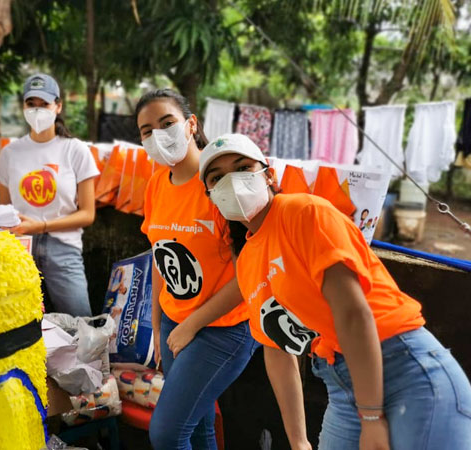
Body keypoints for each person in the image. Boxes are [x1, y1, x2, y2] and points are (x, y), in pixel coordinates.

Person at [199, 133, 471, 450]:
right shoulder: (247, 260)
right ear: (211, 195)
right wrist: (298, 440)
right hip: (340, 384)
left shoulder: (304, 213)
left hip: (402, 366)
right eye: (217, 178)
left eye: (242, 167)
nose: (231, 182)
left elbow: (353, 313)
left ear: (269, 175)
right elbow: (276, 350)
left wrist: (371, 418)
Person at [135, 89, 262, 449]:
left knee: (167, 433)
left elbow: (248, 275)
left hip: (226, 326)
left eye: (167, 123)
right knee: (200, 426)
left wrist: (191, 325)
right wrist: (158, 326)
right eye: (146, 131)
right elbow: (160, 255)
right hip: (176, 322)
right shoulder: (157, 184)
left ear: (191, 124)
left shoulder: (221, 184)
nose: (158, 135)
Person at [0, 74, 98, 317]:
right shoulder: (10, 153)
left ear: (58, 106)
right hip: (19, 248)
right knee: (16, 323)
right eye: (31, 104)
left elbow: (88, 214)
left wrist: (41, 225)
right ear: (23, 107)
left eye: (44, 104)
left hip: (64, 248)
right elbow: (3, 210)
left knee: (82, 324)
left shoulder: (76, 150)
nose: (37, 110)